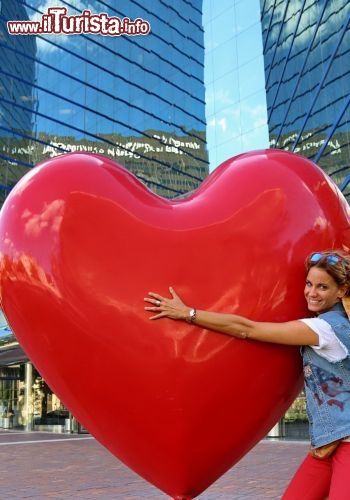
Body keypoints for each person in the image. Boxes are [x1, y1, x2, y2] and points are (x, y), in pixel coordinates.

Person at [144, 250, 350, 500]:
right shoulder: (335, 324)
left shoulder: (324, 329)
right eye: (308, 284)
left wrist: (188, 314)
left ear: (341, 291)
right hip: (328, 443)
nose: (311, 292)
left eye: (322, 287)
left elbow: (246, 329)